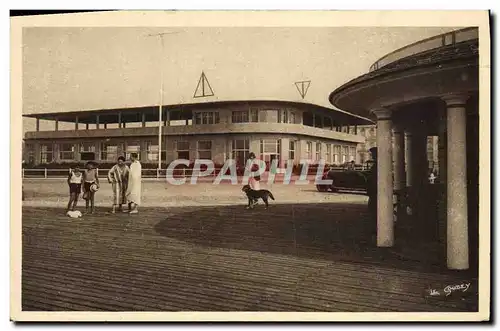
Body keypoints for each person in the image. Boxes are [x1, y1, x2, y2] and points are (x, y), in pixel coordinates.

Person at [366, 147, 378, 223]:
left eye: (373, 154)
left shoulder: (377, 165)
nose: (372, 156)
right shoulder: (375, 165)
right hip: (373, 190)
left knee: (374, 209)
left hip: (376, 190)